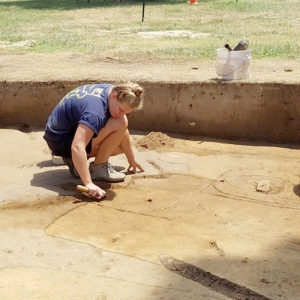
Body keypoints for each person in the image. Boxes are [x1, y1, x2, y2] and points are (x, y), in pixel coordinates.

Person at [43, 82, 144, 200]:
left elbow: (122, 128)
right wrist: (88, 183)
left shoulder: (110, 91)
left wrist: (131, 159)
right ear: (114, 96)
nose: (122, 114)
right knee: (119, 122)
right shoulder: (94, 112)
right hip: (61, 141)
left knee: (121, 142)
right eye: (121, 110)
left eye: (126, 112)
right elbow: (77, 146)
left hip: (60, 134)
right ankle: (95, 167)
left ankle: (78, 161)